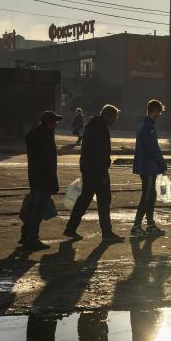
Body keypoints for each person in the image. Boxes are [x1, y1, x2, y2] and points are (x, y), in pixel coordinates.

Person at [64, 104, 124, 243]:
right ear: (108, 115)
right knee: (104, 201)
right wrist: (103, 174)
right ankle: (107, 233)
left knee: (84, 199)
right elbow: (100, 153)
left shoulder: (91, 125)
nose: (115, 120)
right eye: (114, 117)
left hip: (88, 168)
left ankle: (70, 228)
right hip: (97, 171)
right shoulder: (100, 128)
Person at [20, 111, 61, 249]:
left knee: (32, 208)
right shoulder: (46, 137)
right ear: (49, 123)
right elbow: (49, 163)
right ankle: (32, 238)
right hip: (44, 179)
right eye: (54, 121)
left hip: (34, 177)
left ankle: (25, 235)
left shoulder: (34, 134)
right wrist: (53, 183)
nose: (56, 124)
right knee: (38, 211)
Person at [131, 99, 167, 237]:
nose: (160, 115)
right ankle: (137, 225)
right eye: (160, 112)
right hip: (148, 168)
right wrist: (162, 163)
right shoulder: (148, 127)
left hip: (146, 166)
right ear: (155, 110)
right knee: (147, 196)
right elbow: (152, 149)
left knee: (151, 195)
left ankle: (150, 224)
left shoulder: (144, 125)